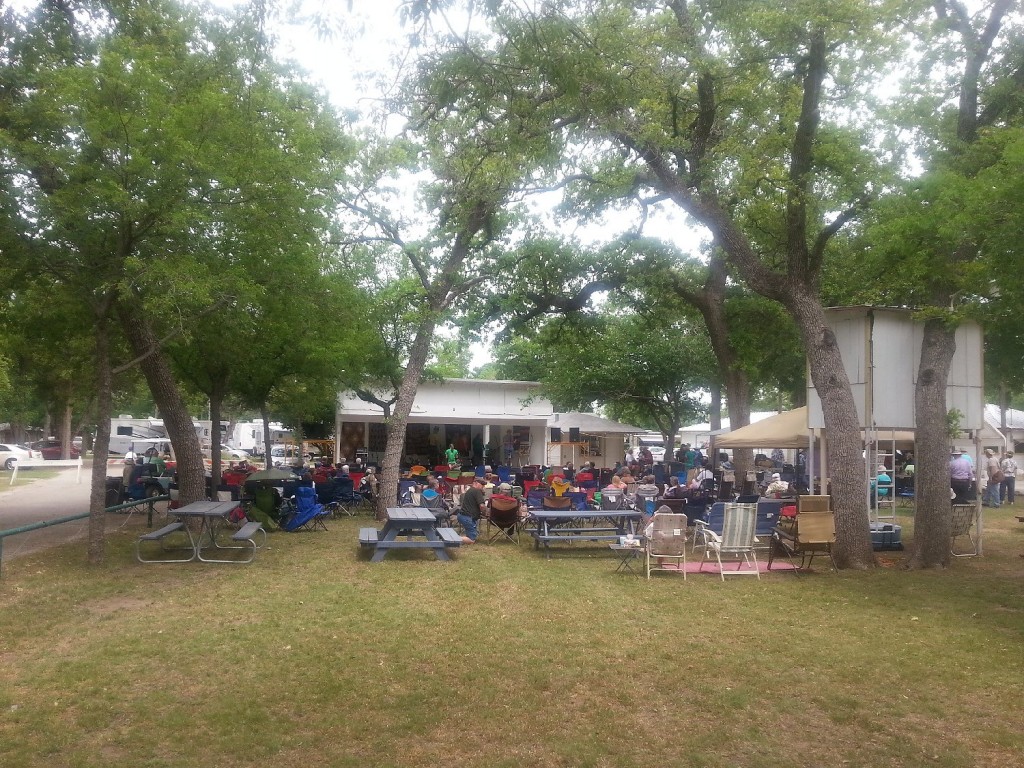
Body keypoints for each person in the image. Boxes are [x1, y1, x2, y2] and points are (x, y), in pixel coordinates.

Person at [457, 476, 486, 544]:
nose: (483, 487)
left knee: (472, 534)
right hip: (468, 517)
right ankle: (452, 538)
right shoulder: (477, 491)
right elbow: (482, 506)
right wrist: (486, 512)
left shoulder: (470, 490)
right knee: (471, 540)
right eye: (482, 484)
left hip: (463, 516)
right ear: (476, 483)